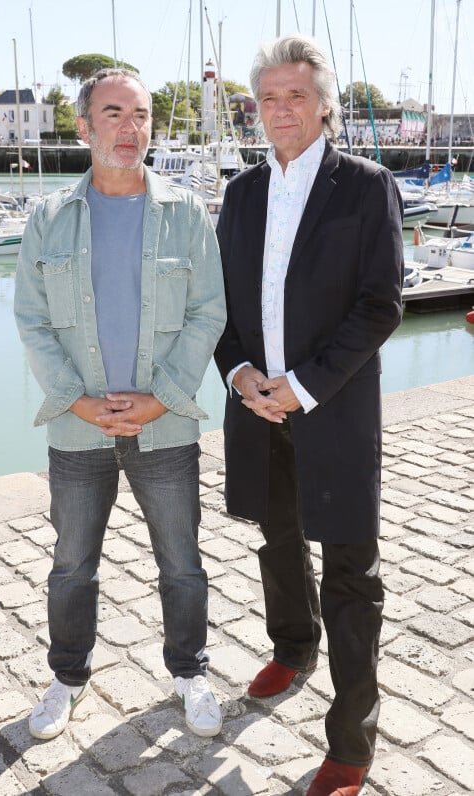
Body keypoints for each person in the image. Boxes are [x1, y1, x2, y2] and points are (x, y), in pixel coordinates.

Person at [214, 36, 403, 796]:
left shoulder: (366, 185)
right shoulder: (240, 193)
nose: (281, 109)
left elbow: (381, 304)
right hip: (259, 409)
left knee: (352, 574)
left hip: (333, 410)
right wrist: (240, 374)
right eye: (268, 97)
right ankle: (293, 646)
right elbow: (221, 308)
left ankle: (351, 742)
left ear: (323, 103)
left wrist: (304, 386)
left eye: (295, 95)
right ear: (255, 110)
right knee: (277, 536)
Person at [14, 68, 226, 742]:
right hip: (79, 433)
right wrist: (76, 402)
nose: (130, 128)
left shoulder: (187, 214)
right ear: (83, 127)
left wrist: (162, 400)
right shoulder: (47, 219)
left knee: (182, 563)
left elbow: (208, 313)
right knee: (72, 565)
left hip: (164, 430)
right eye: (113, 113)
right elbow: (32, 321)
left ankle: (189, 673)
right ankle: (68, 679)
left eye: (140, 115)